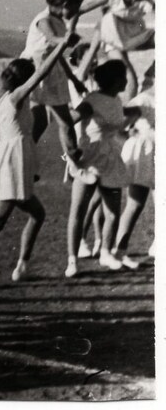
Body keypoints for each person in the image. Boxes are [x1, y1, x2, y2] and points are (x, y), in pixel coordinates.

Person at [0, 15, 79, 290]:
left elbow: (40, 121)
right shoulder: (16, 97)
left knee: (38, 214)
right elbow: (42, 73)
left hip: (16, 161)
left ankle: (22, 266)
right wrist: (61, 47)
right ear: (23, 79)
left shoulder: (8, 100)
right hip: (11, 163)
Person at [64, 59, 132, 278]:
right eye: (124, 78)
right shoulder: (91, 100)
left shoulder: (117, 100)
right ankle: (72, 261)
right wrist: (72, 149)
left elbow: (116, 129)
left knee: (113, 210)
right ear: (116, 80)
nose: (127, 81)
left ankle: (105, 253)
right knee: (79, 210)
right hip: (90, 159)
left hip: (111, 158)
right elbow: (69, 121)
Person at [20, 0, 85, 171]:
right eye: (74, 7)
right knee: (41, 120)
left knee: (62, 120)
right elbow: (52, 38)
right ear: (65, 3)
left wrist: (74, 79)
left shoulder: (59, 21)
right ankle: (24, 158)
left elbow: (58, 54)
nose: (75, 12)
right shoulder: (43, 20)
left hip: (51, 71)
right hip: (35, 72)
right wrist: (64, 40)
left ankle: (74, 156)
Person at [81, 0, 154, 102]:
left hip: (131, 36)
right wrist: (69, 26)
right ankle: (126, 114)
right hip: (113, 39)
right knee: (130, 78)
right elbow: (84, 8)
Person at [113, 63, 155, 267]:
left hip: (154, 151)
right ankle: (119, 251)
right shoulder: (144, 99)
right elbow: (118, 123)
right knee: (135, 203)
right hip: (144, 152)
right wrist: (127, 134)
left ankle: (157, 245)